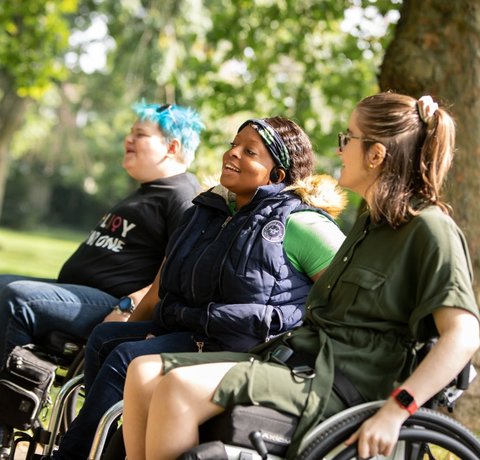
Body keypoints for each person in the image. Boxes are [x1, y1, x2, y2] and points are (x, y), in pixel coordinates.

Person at [122, 92, 480, 460]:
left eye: (348, 138)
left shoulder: (429, 228)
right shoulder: (371, 223)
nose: (340, 150)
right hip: (297, 361)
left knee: (178, 387)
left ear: (376, 155)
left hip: (340, 386)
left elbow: (464, 336)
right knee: (144, 374)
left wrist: (397, 408)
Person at [50, 116, 347, 460]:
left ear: (277, 175)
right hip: (195, 331)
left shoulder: (300, 223)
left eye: (249, 151)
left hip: (246, 344)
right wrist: (133, 330)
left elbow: (343, 296)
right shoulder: (207, 213)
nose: (232, 154)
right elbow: (161, 286)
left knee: (125, 357)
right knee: (107, 339)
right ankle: (105, 445)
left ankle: (74, 455)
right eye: (233, 145)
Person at [0, 102, 203, 454]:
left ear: (172, 147)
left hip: (110, 305)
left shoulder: (182, 195)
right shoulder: (148, 190)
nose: (128, 139)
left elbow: (173, 271)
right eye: (130, 132)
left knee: (17, 297)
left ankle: (8, 418)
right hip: (80, 293)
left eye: (140, 134)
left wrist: (129, 305)